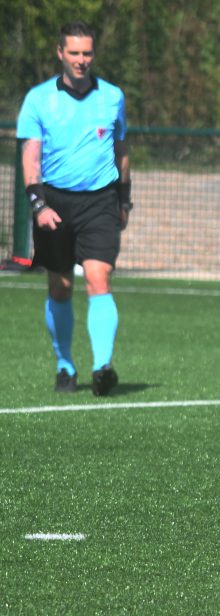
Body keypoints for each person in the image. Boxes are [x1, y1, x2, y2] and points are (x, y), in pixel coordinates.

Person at [16, 21, 132, 396]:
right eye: (74, 53)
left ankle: (102, 369)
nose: (81, 60)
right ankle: (65, 365)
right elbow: (30, 156)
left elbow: (121, 150)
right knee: (60, 285)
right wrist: (39, 205)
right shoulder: (38, 100)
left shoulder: (113, 96)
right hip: (55, 202)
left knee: (99, 279)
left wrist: (124, 198)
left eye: (87, 53)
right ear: (60, 53)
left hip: (100, 199)